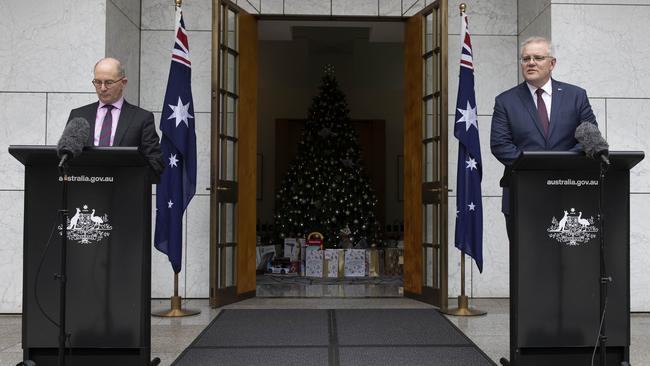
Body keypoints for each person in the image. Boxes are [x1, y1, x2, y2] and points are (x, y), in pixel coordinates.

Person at [490, 37, 596, 238]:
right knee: (526, 263)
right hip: (523, 193)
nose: (531, 63)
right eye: (526, 58)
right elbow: (500, 145)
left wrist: (559, 165)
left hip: (569, 191)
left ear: (552, 63)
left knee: (568, 262)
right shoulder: (505, 101)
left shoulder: (576, 96)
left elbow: (589, 137)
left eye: (538, 58)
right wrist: (536, 167)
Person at [66, 57, 164, 180]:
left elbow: (156, 163)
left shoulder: (142, 118)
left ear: (123, 82)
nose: (102, 88)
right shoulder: (78, 116)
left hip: (124, 192)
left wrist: (127, 177)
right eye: (97, 82)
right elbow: (66, 156)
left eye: (108, 82)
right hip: (84, 190)